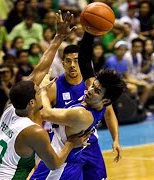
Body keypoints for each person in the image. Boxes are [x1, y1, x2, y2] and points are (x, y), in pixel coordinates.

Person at [0, 10, 90, 180]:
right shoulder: (34, 131)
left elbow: (39, 70)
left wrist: (58, 37)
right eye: (39, 91)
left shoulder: (10, 108)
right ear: (32, 102)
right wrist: (70, 144)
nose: (42, 89)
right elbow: (54, 163)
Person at [31, 32, 123, 179]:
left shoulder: (81, 114)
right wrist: (90, 31)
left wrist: (42, 88)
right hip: (68, 151)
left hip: (65, 157)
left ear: (106, 101)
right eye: (93, 86)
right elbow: (86, 60)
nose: (90, 89)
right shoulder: (99, 100)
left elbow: (44, 113)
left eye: (96, 90)